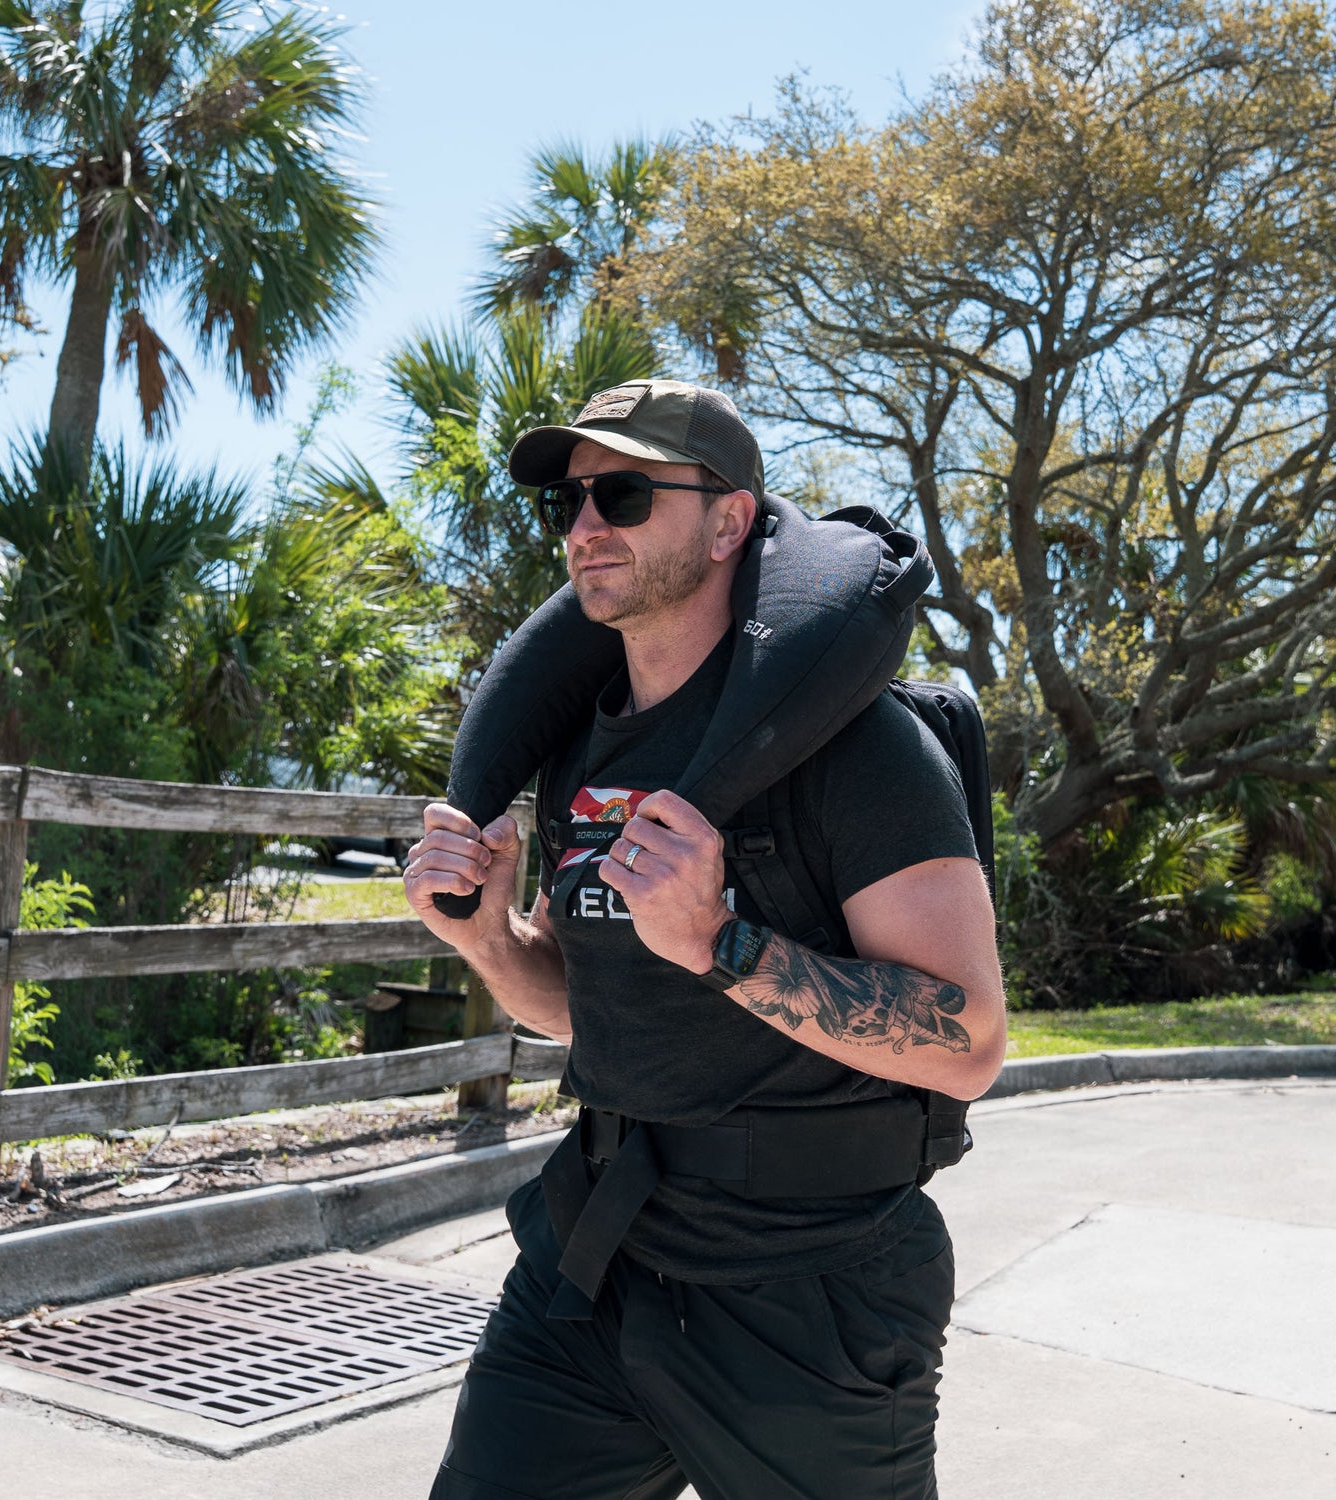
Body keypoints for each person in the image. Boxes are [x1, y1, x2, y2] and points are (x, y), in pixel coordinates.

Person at [403, 379, 1008, 1500]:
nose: (586, 527)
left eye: (624, 494)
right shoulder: (579, 748)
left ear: (730, 521)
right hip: (595, 1253)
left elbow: (967, 1041)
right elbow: (587, 1010)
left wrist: (723, 944)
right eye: (569, 503)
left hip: (810, 1294)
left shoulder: (862, 750)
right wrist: (492, 942)